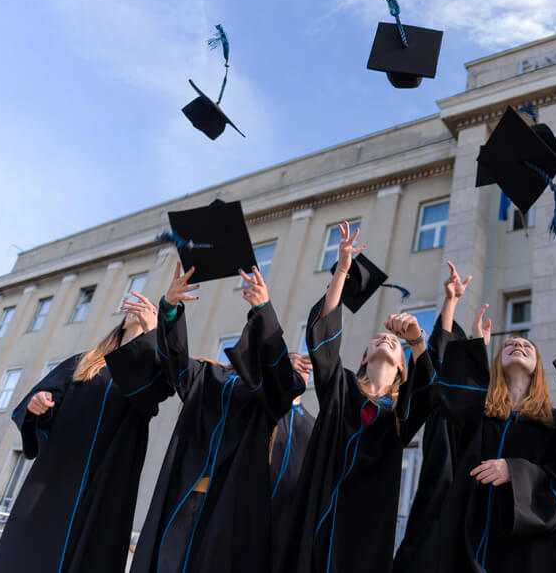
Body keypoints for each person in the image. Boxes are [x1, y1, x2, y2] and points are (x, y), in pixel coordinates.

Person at [278, 221, 436, 573]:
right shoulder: (342, 389)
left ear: (402, 365)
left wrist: (415, 340)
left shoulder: (399, 414)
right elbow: (323, 343)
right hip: (319, 522)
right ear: (364, 357)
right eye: (378, 339)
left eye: (394, 343)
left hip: (365, 537)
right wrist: (342, 272)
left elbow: (428, 393)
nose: (386, 339)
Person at [130, 263, 304, 573]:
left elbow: (282, 380)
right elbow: (175, 360)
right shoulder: (208, 375)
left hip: (230, 510)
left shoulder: (270, 392)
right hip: (186, 499)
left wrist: (264, 309)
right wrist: (169, 308)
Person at [0, 291, 171, 573]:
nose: (138, 310)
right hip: (57, 475)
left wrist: (153, 332)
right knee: (30, 550)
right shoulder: (83, 363)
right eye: (133, 307)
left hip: (108, 476)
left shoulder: (150, 370)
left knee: (90, 549)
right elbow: (44, 399)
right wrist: (39, 405)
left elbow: (155, 393)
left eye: (147, 309)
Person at [433, 264, 556, 573]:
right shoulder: (479, 415)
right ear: (496, 364)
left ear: (537, 369)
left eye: (526, 345)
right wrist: (455, 311)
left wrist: (514, 470)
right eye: (509, 344)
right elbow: (450, 386)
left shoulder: (553, 425)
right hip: (469, 544)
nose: (518, 344)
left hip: (524, 553)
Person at [393, 262, 471, 573]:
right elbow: (435, 363)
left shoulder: (486, 406)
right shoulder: (441, 402)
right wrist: (450, 303)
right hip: (434, 510)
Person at [269, 353, 317, 533]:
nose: (301, 364)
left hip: (288, 517)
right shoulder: (267, 408)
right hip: (253, 502)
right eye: (292, 361)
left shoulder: (312, 425)